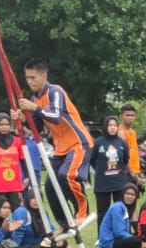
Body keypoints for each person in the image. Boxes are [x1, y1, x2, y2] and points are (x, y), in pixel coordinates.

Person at [18, 59, 93, 229]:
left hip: (78, 143)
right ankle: (64, 223)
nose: (30, 81)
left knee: (66, 175)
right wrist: (23, 119)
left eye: (33, 77)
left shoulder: (55, 91)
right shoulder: (34, 99)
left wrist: (33, 108)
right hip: (61, 148)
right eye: (27, 78)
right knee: (51, 186)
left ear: (44, 76)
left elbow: (55, 116)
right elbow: (37, 126)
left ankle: (82, 212)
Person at [90, 115, 133, 220]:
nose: (113, 127)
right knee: (103, 213)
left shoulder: (122, 143)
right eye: (110, 125)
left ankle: (122, 235)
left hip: (119, 183)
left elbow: (126, 159)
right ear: (105, 126)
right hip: (102, 184)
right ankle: (103, 236)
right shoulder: (97, 142)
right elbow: (92, 160)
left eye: (115, 125)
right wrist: (100, 169)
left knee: (121, 211)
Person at [0, 112, 29, 209]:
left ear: (10, 125)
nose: (4, 127)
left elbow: (23, 160)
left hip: (15, 184)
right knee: (0, 210)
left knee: (17, 210)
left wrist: (27, 176)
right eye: (1, 124)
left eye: (7, 124)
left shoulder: (17, 141)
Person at [98, 184, 146, 248]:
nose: (129, 196)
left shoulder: (127, 209)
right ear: (122, 195)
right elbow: (119, 232)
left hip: (118, 239)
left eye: (132, 195)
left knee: (141, 238)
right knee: (136, 240)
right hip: (109, 243)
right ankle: (136, 247)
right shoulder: (117, 207)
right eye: (127, 193)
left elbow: (134, 230)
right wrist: (140, 243)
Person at [118, 104, 143, 183]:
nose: (130, 118)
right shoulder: (120, 132)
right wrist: (133, 175)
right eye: (127, 115)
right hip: (126, 172)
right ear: (121, 116)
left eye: (132, 115)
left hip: (136, 170)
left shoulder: (133, 132)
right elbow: (123, 156)